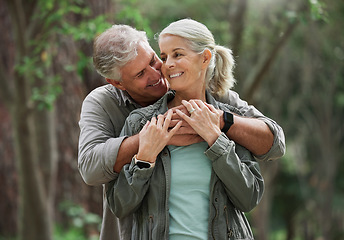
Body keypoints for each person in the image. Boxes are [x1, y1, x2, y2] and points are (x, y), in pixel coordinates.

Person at [78, 24, 285, 239]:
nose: (157, 73)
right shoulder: (109, 106)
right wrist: (148, 142)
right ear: (117, 83)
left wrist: (219, 125)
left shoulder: (218, 99)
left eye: (153, 60)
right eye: (140, 73)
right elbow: (91, 169)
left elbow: (274, 145)